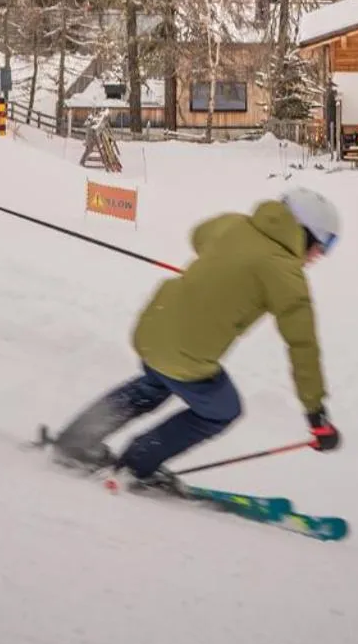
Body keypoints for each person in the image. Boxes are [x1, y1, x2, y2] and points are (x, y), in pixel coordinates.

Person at [49, 187, 342, 485]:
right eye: (323, 244)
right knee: (222, 409)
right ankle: (137, 463)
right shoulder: (286, 275)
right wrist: (316, 416)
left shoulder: (234, 224)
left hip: (153, 329)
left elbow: (199, 235)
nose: (320, 255)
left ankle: (76, 440)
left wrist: (223, 268)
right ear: (303, 231)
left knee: (153, 385)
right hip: (187, 352)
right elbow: (302, 347)